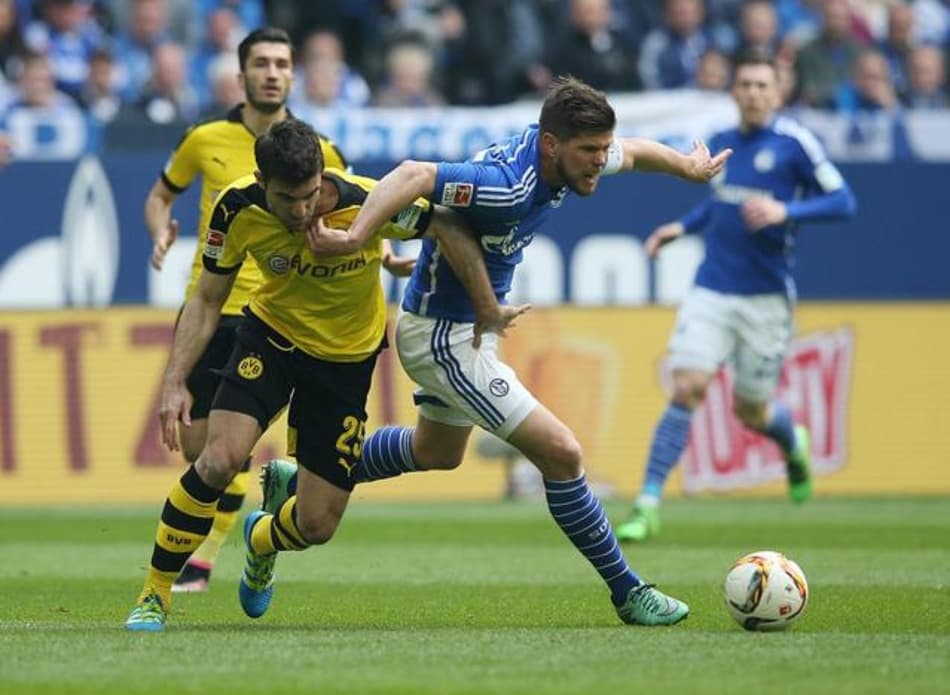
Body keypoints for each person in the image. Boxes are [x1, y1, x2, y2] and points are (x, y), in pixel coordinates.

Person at [300, 76, 731, 626]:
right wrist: (360, 234)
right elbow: (413, 174)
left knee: (436, 452)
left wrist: (685, 167)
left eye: (603, 150)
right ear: (553, 145)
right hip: (442, 336)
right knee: (563, 453)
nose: (601, 162)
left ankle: (316, 471)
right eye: (591, 153)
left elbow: (637, 152)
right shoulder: (507, 185)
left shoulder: (565, 152)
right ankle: (629, 591)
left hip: (458, 329)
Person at [124, 118, 512, 632]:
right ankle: (154, 594)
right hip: (270, 339)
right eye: (287, 199)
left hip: (344, 362)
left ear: (322, 176)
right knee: (218, 459)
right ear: (262, 183)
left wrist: (485, 305)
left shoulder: (366, 200)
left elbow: (446, 225)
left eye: (309, 195)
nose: (302, 210)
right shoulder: (237, 207)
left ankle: (261, 539)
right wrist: (175, 381)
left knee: (317, 525)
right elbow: (208, 299)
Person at [144, 26, 411, 594]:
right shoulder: (209, 144)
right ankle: (166, 585)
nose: (271, 73)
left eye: (281, 63)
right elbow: (163, 197)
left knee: (309, 516)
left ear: (292, 73)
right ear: (240, 73)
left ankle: (245, 541)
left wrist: (385, 254)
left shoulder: (328, 159)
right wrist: (158, 232)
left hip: (330, 336)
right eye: (260, 63)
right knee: (208, 455)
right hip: (246, 314)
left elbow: (381, 213)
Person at [614, 53, 857, 543]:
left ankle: (792, 443)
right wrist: (681, 227)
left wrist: (784, 210)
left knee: (752, 411)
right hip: (712, 288)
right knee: (687, 388)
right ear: (734, 91)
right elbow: (719, 203)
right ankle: (648, 503)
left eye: (762, 85)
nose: (752, 92)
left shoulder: (794, 145)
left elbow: (844, 201)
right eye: (745, 83)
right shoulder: (722, 143)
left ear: (778, 92)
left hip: (765, 299)